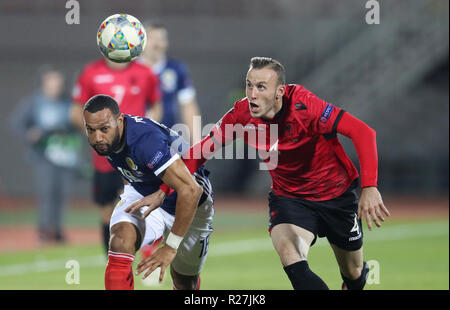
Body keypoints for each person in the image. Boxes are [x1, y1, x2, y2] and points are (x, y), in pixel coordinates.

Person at [138, 57, 391, 290]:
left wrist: (369, 187)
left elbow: (363, 133)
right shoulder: (242, 114)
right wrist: (163, 190)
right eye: (249, 85)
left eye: (261, 87)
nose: (252, 94)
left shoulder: (306, 105)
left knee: (353, 271)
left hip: (336, 194)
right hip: (290, 198)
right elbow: (198, 153)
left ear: (280, 91)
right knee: (295, 264)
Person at [82, 94, 214, 290]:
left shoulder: (145, 141)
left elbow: (190, 190)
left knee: (184, 281)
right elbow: (132, 167)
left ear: (119, 120)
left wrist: (170, 246)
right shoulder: (109, 139)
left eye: (103, 129)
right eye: (90, 130)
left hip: (191, 202)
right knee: (120, 241)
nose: (97, 137)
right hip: (143, 192)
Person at [71, 58, 162, 254]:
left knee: (142, 204)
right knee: (106, 211)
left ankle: (148, 256)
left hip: (136, 156)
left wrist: (146, 134)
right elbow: (74, 112)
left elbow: (156, 105)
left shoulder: (145, 73)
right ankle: (112, 260)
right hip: (104, 160)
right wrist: (99, 135)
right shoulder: (90, 72)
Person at [9, 66, 83, 244]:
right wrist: (30, 134)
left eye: (58, 83)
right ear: (44, 84)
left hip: (64, 154)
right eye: (51, 83)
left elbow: (77, 124)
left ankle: (57, 230)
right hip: (43, 154)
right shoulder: (35, 102)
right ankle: (44, 229)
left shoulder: (67, 103)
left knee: (61, 193)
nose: (55, 86)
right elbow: (16, 124)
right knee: (46, 192)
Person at [142, 22, 201, 144]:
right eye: (152, 38)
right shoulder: (130, 69)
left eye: (161, 39)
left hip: (167, 140)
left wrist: (197, 145)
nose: (157, 44)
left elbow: (188, 106)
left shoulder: (175, 69)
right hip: (135, 140)